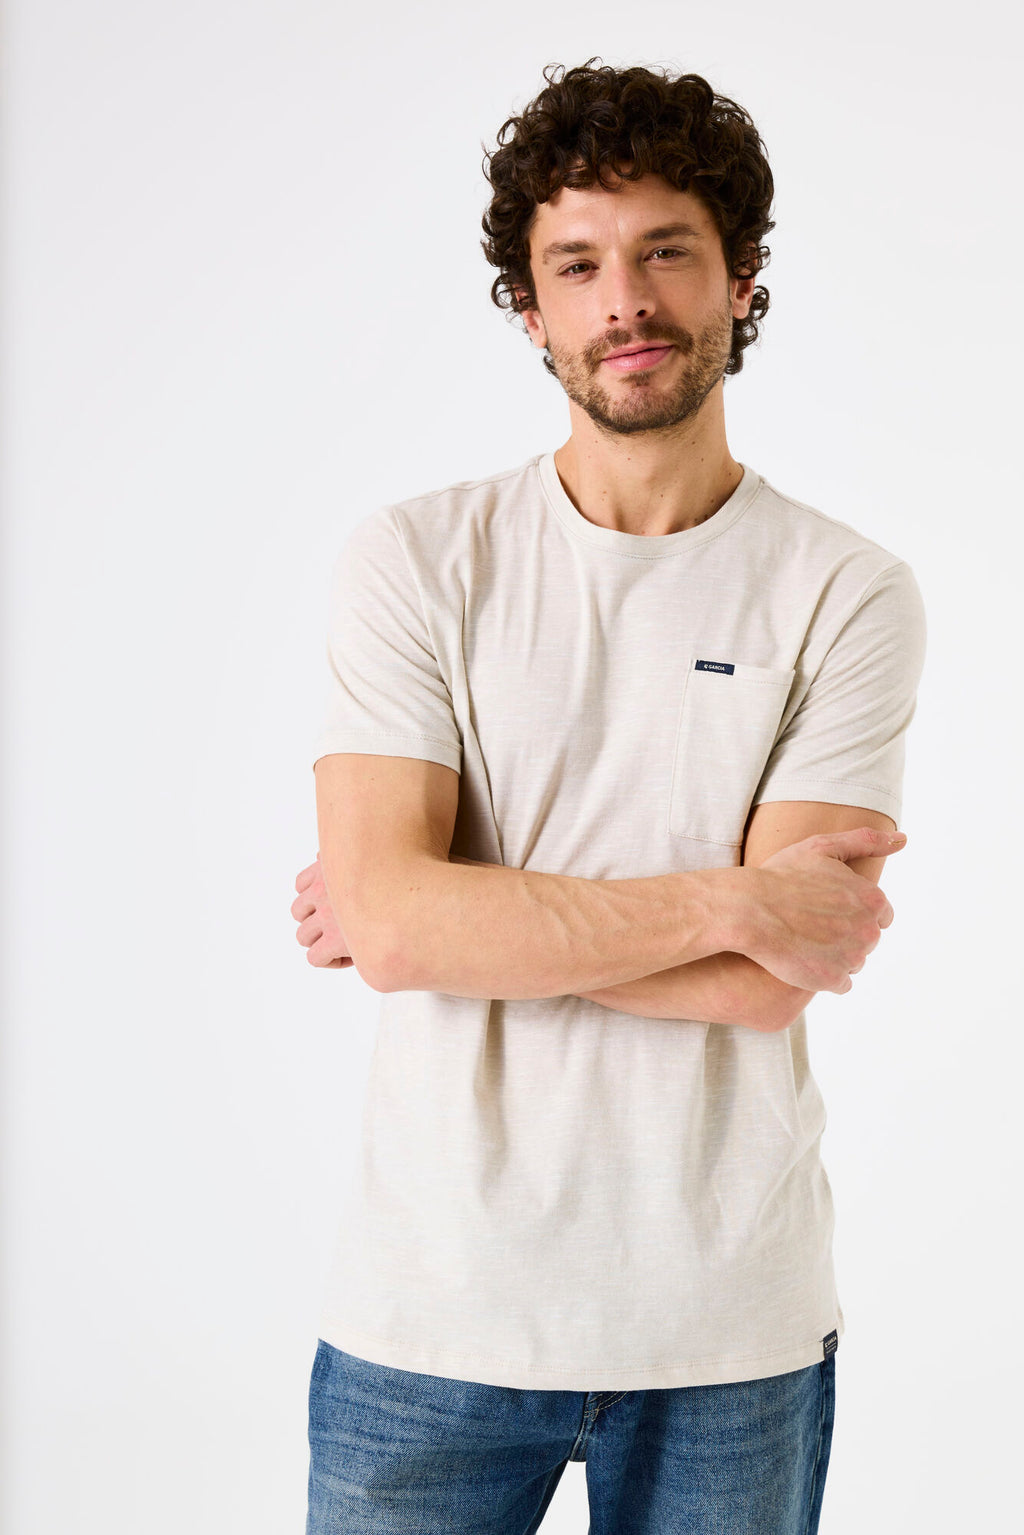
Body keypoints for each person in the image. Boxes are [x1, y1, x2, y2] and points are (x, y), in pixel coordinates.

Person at [291, 58, 926, 1535]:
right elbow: (394, 926)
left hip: (728, 1327)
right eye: (576, 265)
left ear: (741, 280)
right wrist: (732, 904)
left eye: (665, 253)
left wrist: (460, 918)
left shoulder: (846, 593)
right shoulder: (418, 560)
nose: (621, 299)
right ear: (532, 308)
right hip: (433, 1313)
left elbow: (776, 983)